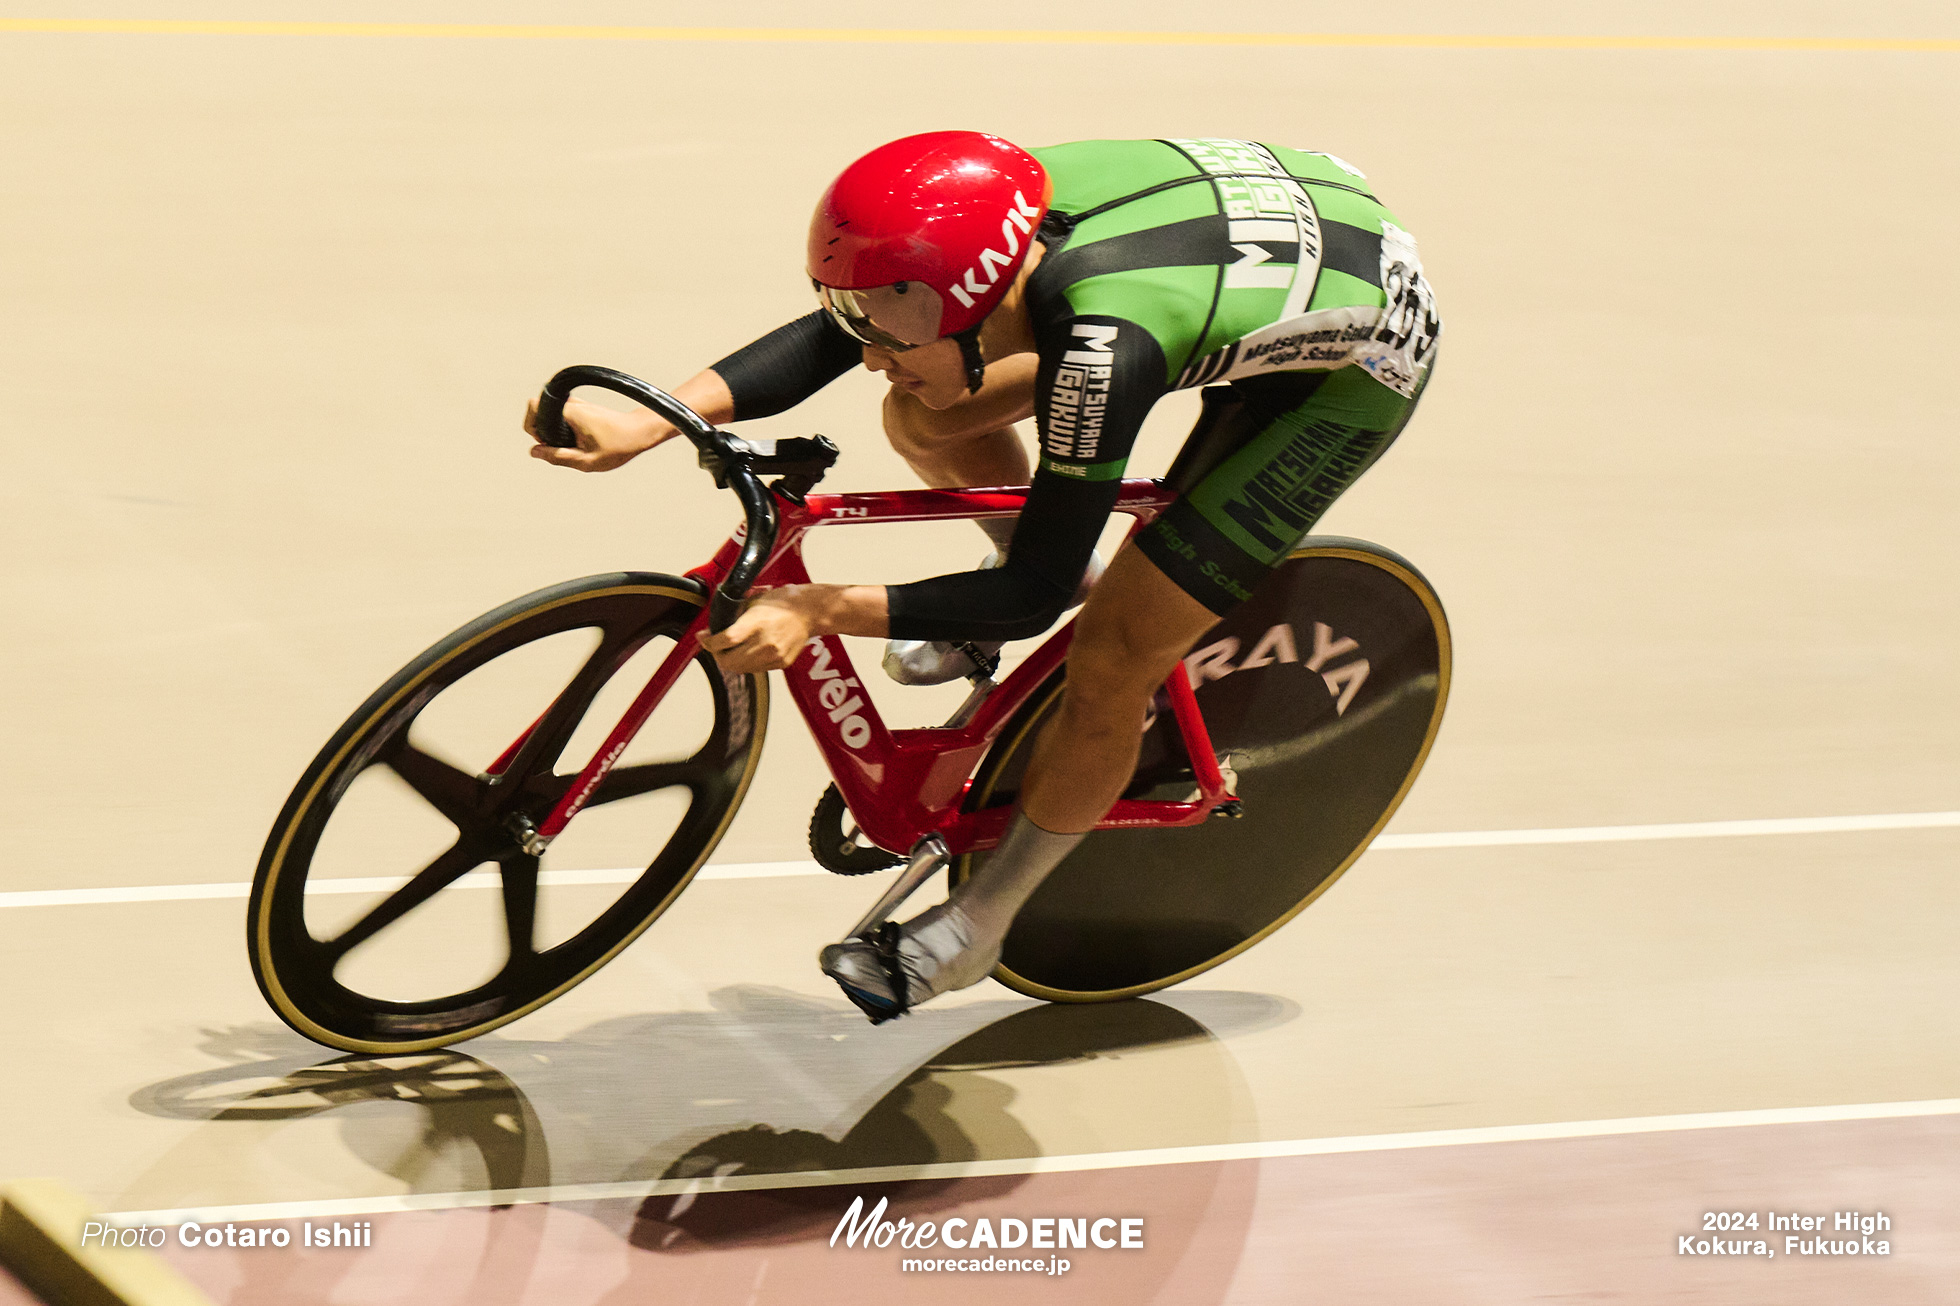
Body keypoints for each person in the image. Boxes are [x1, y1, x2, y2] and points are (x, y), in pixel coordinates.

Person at [526, 132, 1440, 1022]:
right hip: (1230, 256)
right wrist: (654, 422)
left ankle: (979, 926)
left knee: (1115, 655)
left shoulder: (1100, 350)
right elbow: (842, 332)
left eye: (893, 325)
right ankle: (1048, 547)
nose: (870, 347)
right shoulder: (968, 232)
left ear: (984, 294)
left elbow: (1032, 604)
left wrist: (822, 606)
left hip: (1350, 370)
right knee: (924, 413)